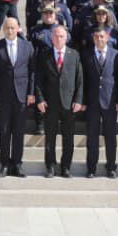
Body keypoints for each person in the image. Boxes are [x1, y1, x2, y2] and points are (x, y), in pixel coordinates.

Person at [0, 15, 35, 177]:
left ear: (19, 28)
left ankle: (17, 164)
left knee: (19, 132)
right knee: (4, 132)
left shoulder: (27, 47)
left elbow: (32, 72)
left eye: (13, 27)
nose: (10, 30)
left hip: (21, 96)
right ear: (3, 29)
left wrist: (31, 93)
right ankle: (4, 164)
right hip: (3, 97)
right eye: (7, 28)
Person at [34, 24, 83, 178]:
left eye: (61, 36)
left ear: (66, 38)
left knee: (68, 139)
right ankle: (50, 166)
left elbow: (79, 79)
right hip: (50, 103)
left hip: (69, 104)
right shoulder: (44, 55)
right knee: (50, 138)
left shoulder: (74, 54)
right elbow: (38, 80)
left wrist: (78, 100)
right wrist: (40, 99)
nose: (58, 38)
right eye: (55, 36)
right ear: (51, 38)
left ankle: (66, 167)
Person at [81, 25, 118, 179]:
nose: (99, 39)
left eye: (102, 36)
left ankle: (111, 167)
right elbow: (82, 80)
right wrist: (83, 100)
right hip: (92, 102)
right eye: (96, 37)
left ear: (107, 38)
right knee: (92, 137)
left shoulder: (117, 55)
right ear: (93, 38)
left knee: (110, 136)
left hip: (110, 101)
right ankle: (91, 168)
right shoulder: (86, 55)